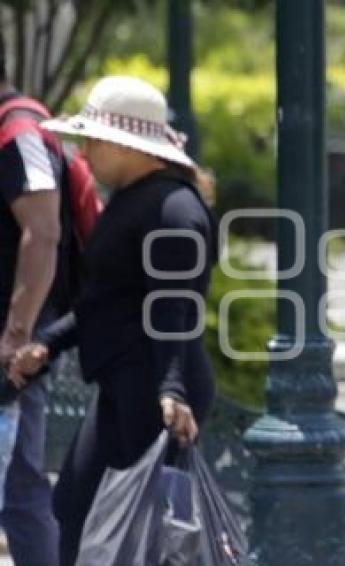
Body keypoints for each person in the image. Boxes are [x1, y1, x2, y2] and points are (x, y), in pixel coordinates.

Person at [8, 75, 218, 565]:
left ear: (129, 146)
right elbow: (109, 299)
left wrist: (172, 389)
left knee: (147, 534)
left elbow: (174, 309)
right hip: (126, 382)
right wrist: (51, 345)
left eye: (93, 141)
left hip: (157, 388)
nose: (83, 154)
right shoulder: (135, 200)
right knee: (76, 509)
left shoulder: (174, 210)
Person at [0, 30, 67, 566]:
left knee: (19, 487)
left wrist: (15, 335)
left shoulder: (18, 131)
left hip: (11, 348)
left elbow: (42, 231)